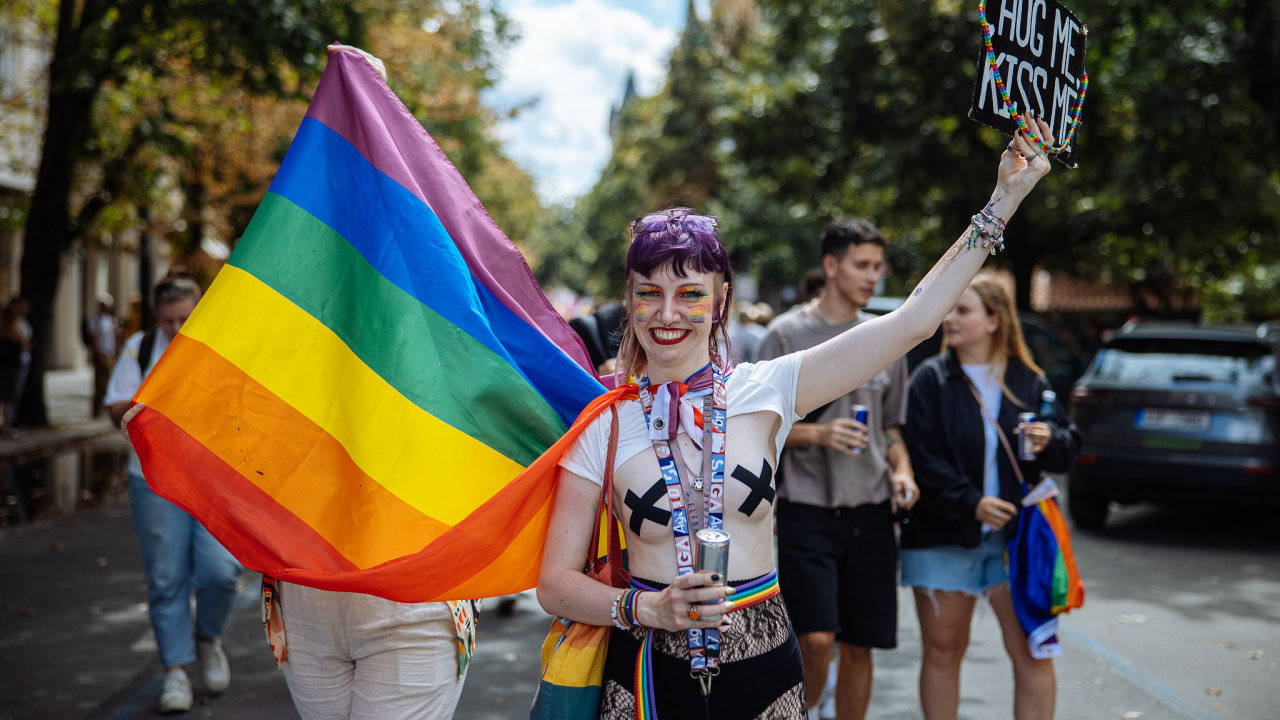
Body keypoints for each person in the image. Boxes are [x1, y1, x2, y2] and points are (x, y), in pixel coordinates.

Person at [537, 119, 1060, 718]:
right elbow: (554, 583)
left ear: (721, 302)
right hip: (648, 673)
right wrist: (643, 609)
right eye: (648, 293)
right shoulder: (603, 423)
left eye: (690, 294)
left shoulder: (768, 389)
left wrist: (1004, 200)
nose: (668, 313)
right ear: (628, 302)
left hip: (768, 668)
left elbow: (913, 322)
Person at [757, 218, 919, 720]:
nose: (874, 276)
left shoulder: (886, 337)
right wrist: (820, 433)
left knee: (861, 644)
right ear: (831, 265)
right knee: (817, 639)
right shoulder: (785, 335)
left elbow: (893, 429)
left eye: (878, 266)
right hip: (806, 509)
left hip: (870, 511)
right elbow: (757, 431)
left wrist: (903, 472)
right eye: (862, 265)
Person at [899, 275, 1082, 720]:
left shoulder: (1031, 382)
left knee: (1033, 653)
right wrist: (971, 502)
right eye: (949, 310)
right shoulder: (931, 378)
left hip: (1016, 542)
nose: (950, 318)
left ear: (994, 320)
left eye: (963, 310)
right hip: (942, 533)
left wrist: (1049, 439)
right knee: (943, 650)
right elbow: (921, 454)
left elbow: (1068, 445)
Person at [106, 272, 245, 714]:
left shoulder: (220, 346)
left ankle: (207, 639)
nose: (177, 330)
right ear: (158, 318)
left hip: (211, 481)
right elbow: (115, 407)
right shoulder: (141, 348)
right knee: (166, 579)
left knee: (221, 571)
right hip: (153, 483)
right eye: (169, 321)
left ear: (200, 309)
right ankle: (176, 674)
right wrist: (149, 415)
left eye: (185, 318)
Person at [87, 293, 120, 417]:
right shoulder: (95, 320)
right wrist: (99, 354)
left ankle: (104, 406)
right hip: (101, 353)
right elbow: (94, 338)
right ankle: (96, 409)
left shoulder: (110, 319)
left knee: (109, 381)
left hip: (110, 353)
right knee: (100, 382)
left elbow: (114, 337)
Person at [0, 300, 26, 436]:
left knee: (5, 398)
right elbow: (25, 345)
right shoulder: (14, 330)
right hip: (11, 368)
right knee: (8, 398)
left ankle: (5, 425)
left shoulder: (5, 329)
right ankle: (6, 425)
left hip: (7, 367)